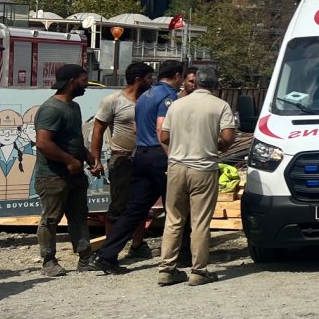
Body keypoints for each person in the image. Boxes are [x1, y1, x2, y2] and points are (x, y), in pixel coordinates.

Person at [93, 60, 184, 275]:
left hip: (140, 155)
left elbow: (135, 128)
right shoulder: (168, 97)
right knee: (177, 206)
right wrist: (172, 157)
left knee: (134, 209)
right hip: (158, 155)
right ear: (178, 75)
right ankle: (184, 254)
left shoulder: (145, 96)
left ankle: (106, 255)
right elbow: (163, 129)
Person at [157, 67, 237, 286]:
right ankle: (198, 271)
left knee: (174, 219)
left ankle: (167, 269)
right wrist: (215, 144)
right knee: (200, 221)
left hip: (176, 167)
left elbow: (164, 135)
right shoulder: (220, 106)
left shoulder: (177, 104)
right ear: (215, 85)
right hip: (203, 167)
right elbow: (228, 138)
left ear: (195, 83)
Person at [33, 65, 97, 276]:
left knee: (79, 215)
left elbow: (74, 140)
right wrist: (69, 160)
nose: (86, 84)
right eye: (83, 79)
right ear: (71, 81)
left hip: (75, 174)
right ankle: (49, 261)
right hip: (53, 176)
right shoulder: (51, 109)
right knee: (51, 219)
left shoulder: (74, 107)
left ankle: (85, 258)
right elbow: (43, 143)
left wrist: (90, 159)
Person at [91, 62, 155, 260]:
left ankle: (137, 245)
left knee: (140, 205)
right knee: (118, 206)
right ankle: (109, 251)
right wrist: (96, 159)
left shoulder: (149, 100)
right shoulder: (113, 101)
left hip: (144, 158)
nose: (151, 81)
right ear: (138, 79)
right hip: (122, 158)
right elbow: (98, 130)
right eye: (149, 78)